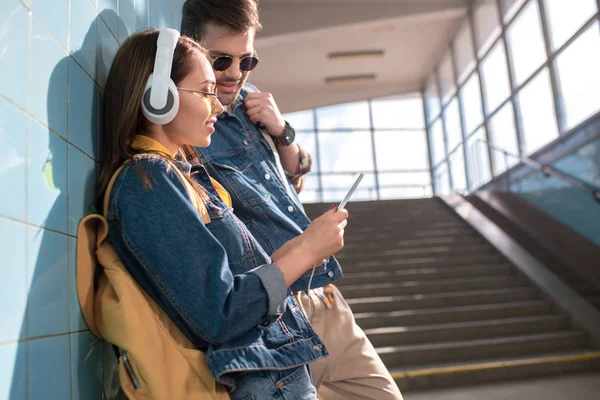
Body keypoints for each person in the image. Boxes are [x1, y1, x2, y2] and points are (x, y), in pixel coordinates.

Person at [97, 28, 349, 399]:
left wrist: (306, 246)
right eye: (204, 91)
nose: (217, 105)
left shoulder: (181, 177)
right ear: (158, 97)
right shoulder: (146, 181)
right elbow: (222, 311)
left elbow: (242, 282)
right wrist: (308, 250)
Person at [179, 1, 403, 399]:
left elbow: (287, 184)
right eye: (222, 60)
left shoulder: (253, 105)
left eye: (247, 60)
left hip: (324, 296)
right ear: (193, 49)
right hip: (271, 316)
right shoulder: (190, 124)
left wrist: (284, 134)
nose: (234, 74)